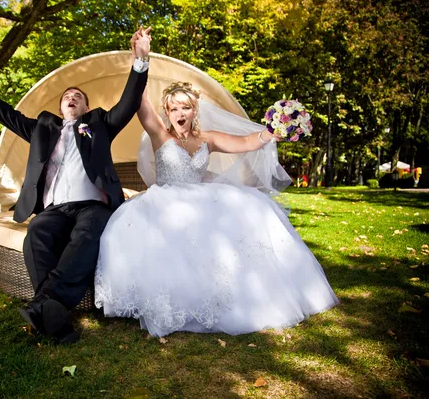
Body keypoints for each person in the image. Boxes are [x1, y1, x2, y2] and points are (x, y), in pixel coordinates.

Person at [0, 27, 151, 344]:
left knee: (90, 229)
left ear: (85, 108)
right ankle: (53, 315)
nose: (72, 97)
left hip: (91, 206)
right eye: (68, 96)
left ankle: (44, 305)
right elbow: (3, 112)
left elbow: (129, 101)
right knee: (36, 232)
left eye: (78, 97)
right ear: (60, 107)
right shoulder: (42, 128)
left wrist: (141, 60)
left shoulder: (100, 124)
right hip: (55, 209)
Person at [94, 81, 339, 337]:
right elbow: (140, 101)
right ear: (167, 112)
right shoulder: (159, 134)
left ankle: (235, 296)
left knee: (254, 212)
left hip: (202, 198)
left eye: (185, 107)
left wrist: (271, 132)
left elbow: (245, 142)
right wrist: (141, 60)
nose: (180, 113)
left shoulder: (207, 139)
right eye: (174, 108)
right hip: (164, 203)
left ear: (194, 111)